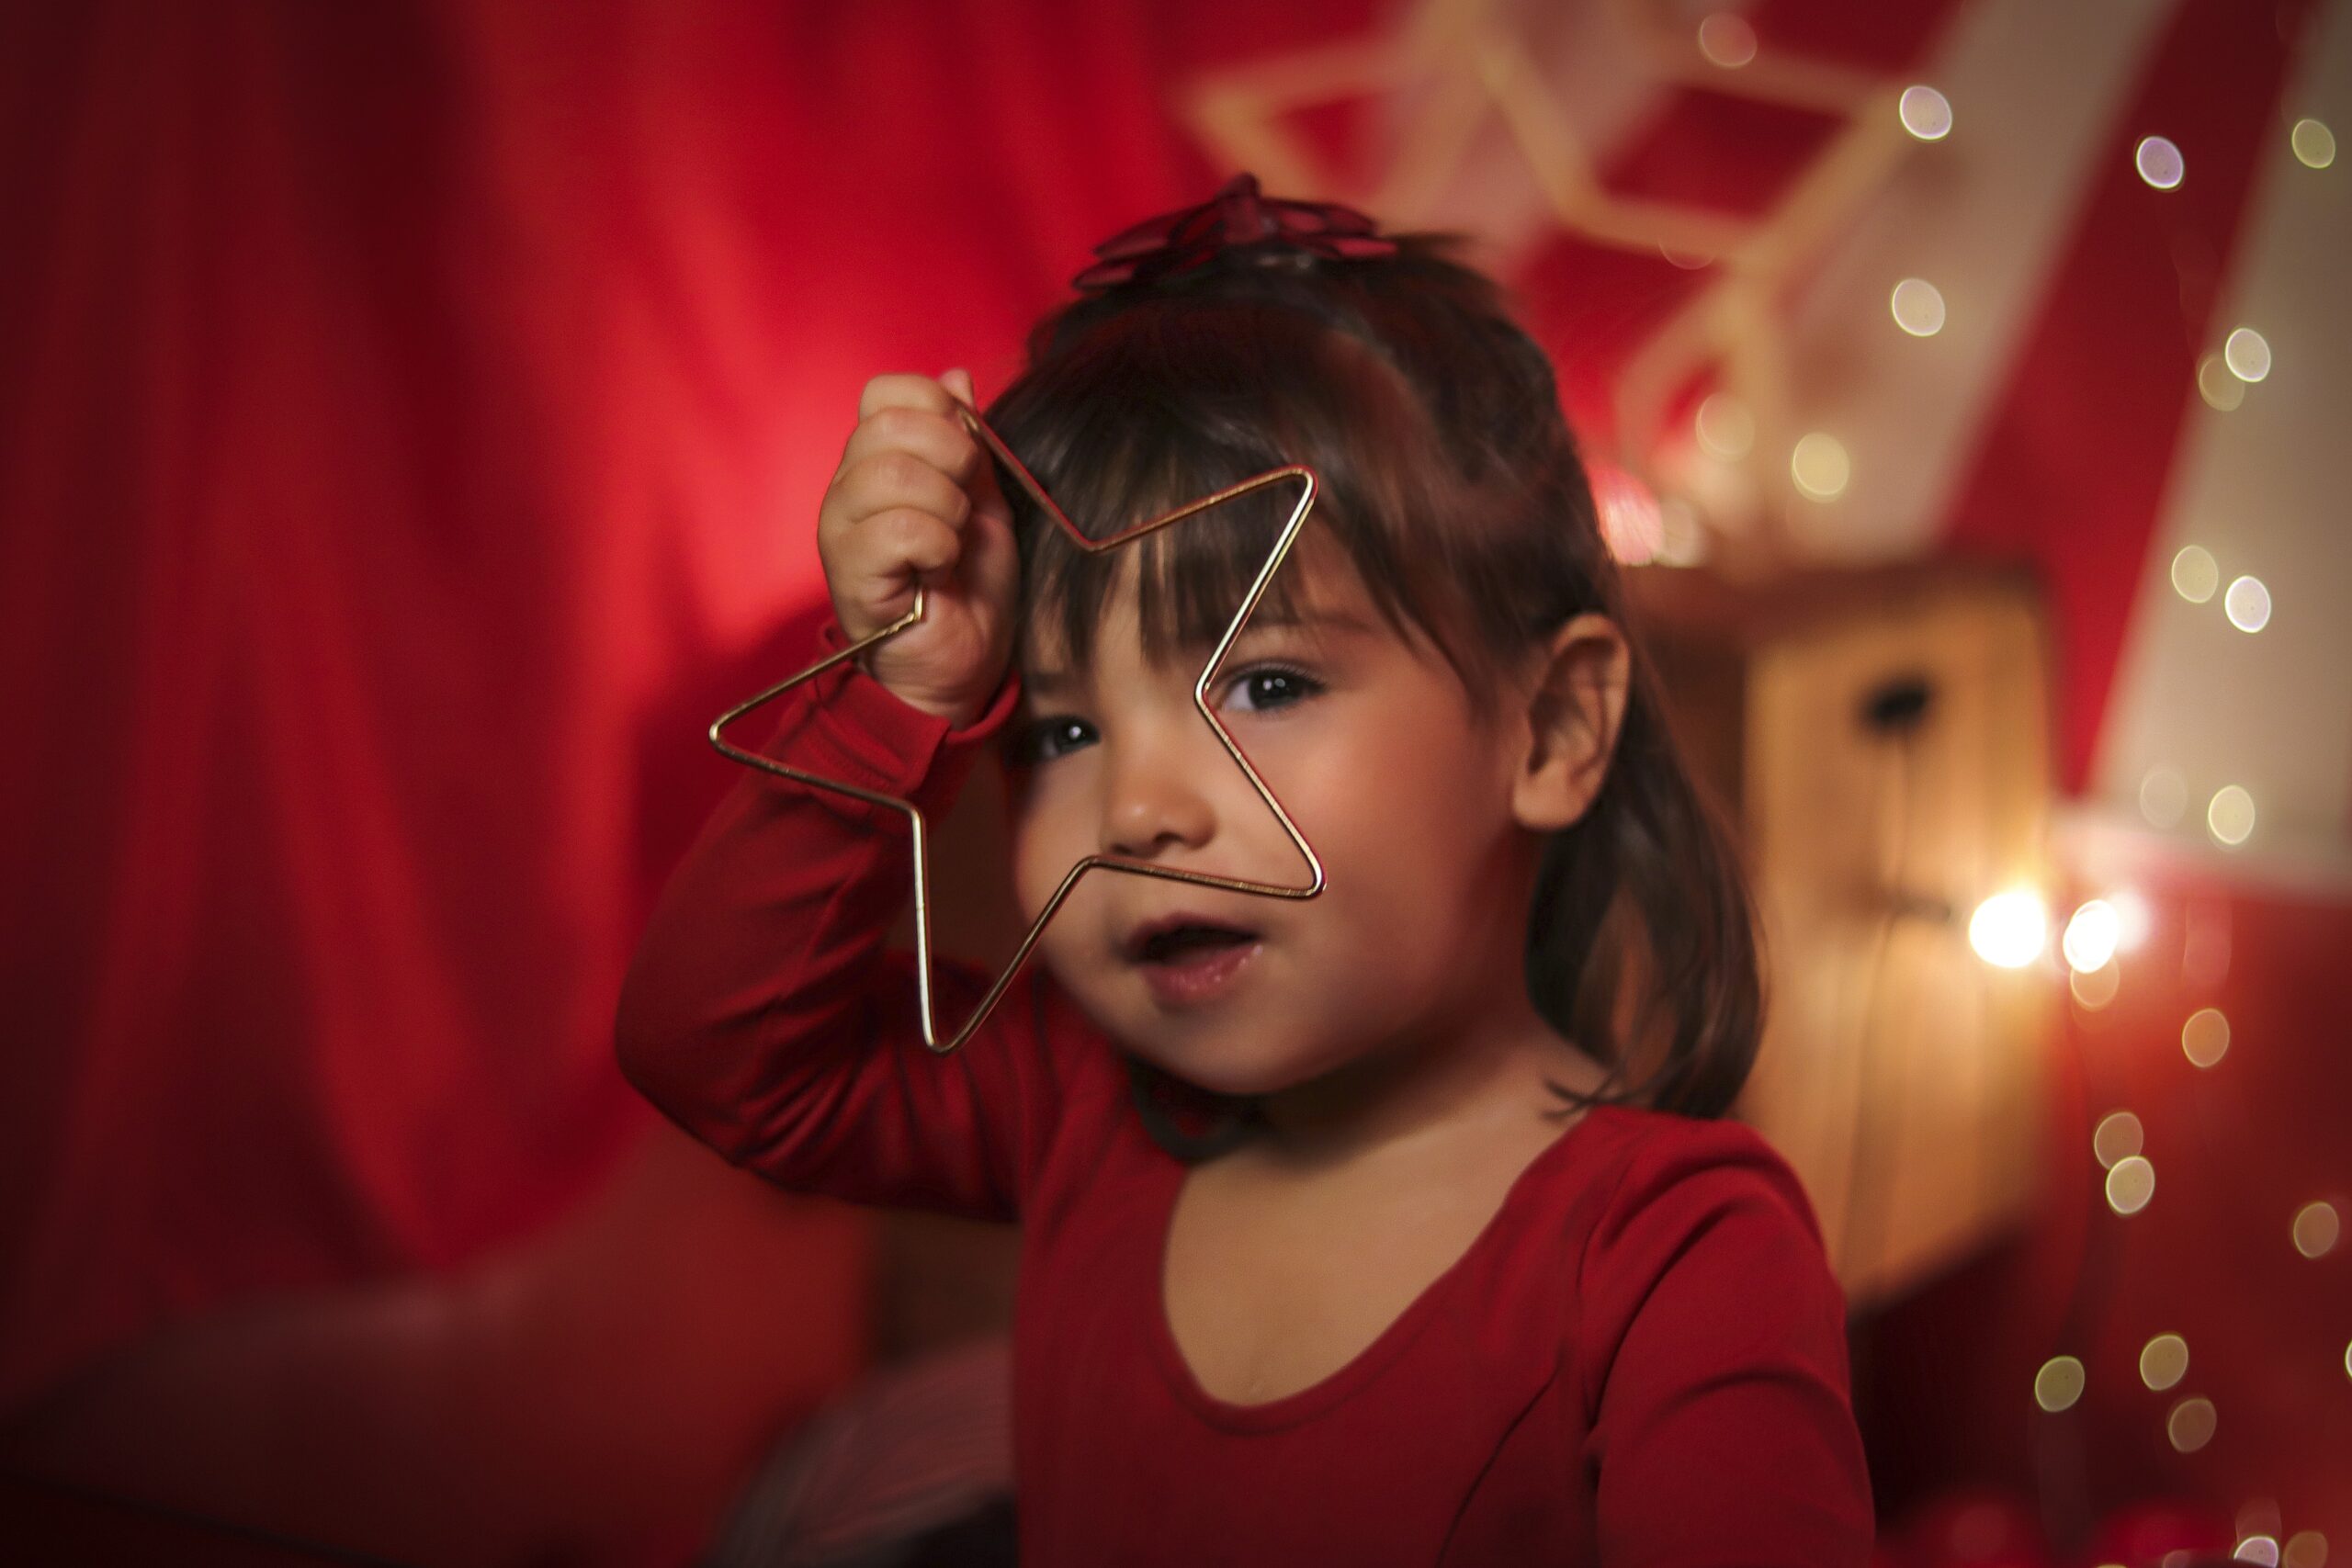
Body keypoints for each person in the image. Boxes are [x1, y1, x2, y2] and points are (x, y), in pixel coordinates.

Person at [616, 174, 1875, 1565]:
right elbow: (713, 1051)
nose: (1139, 808)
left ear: (1554, 727)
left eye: (1264, 681)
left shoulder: (1675, 1263)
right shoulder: (1082, 1104)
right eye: (1065, 729)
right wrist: (894, 696)